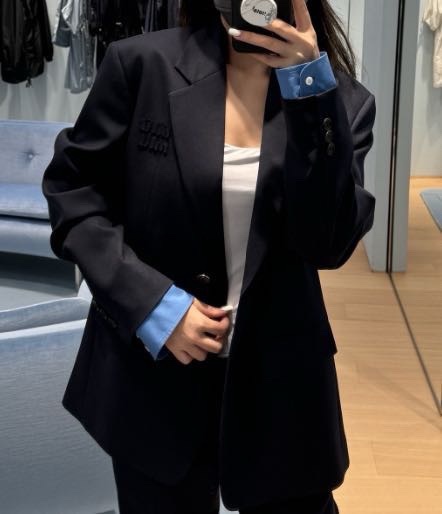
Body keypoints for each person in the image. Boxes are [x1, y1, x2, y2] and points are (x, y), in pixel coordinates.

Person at [41, 0, 376, 513]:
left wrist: (308, 92)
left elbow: (326, 244)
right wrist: (152, 305)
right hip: (154, 379)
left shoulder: (339, 101)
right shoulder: (142, 65)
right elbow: (74, 195)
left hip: (281, 383)